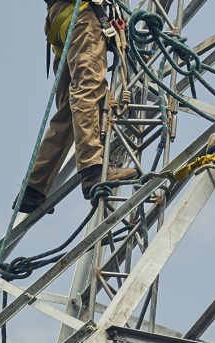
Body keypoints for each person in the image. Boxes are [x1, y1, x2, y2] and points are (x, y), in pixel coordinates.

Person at [18, 0, 139, 214]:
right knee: (88, 89)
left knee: (69, 113)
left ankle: (34, 188)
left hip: (63, 21)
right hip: (81, 16)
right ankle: (92, 169)